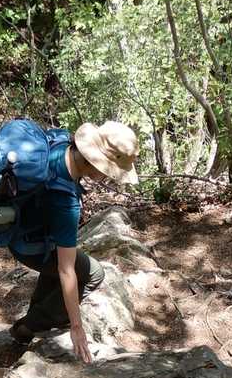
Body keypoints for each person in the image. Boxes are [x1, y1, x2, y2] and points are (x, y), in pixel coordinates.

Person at [8, 120, 138, 364]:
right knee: (94, 273)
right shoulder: (65, 201)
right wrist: (76, 326)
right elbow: (66, 270)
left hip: (19, 233)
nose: (109, 178)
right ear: (98, 163)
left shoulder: (59, 145)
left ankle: (32, 322)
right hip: (31, 247)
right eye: (110, 172)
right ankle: (28, 327)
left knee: (65, 261)